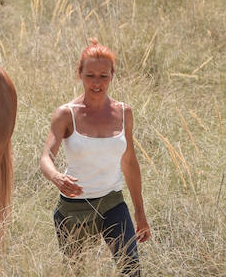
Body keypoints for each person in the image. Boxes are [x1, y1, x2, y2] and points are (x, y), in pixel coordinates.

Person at [40, 39, 150, 276]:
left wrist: (140, 212)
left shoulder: (124, 112)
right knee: (77, 272)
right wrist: (56, 177)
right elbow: (46, 156)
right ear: (79, 74)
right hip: (73, 208)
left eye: (103, 76)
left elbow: (129, 162)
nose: (97, 83)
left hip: (112, 202)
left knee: (132, 271)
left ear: (112, 76)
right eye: (90, 75)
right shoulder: (65, 114)